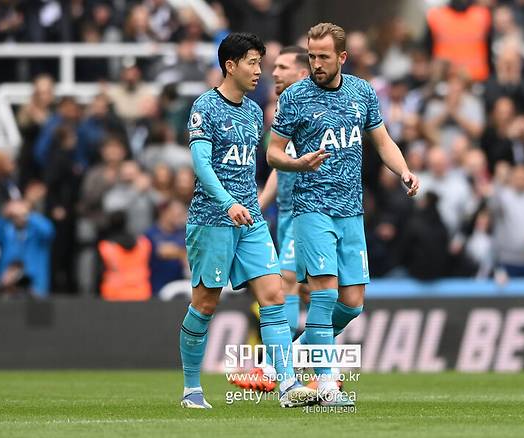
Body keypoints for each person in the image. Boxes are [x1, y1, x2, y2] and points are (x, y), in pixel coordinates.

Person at [267, 23, 419, 406]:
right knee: (323, 295)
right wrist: (298, 164)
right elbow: (273, 153)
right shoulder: (296, 97)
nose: (316, 63)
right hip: (311, 209)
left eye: (324, 57)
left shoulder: (362, 92)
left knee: (352, 303)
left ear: (342, 58)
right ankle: (327, 383)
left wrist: (403, 171)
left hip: (351, 212)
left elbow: (383, 141)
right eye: (312, 56)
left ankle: (300, 346)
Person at [179, 32, 315, 409]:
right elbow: (202, 165)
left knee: (273, 295)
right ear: (230, 65)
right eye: (253, 63)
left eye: (261, 63)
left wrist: (251, 204)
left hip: (250, 219)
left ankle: (287, 385)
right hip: (213, 219)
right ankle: (192, 389)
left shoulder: (256, 113)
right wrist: (227, 204)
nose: (260, 72)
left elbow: (249, 169)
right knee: (205, 304)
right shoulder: (205, 107)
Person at [231, 45, 311, 392]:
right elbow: (280, 163)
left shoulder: (313, 107)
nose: (272, 73)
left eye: (281, 67)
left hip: (313, 212)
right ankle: (323, 370)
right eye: (271, 67)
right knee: (307, 290)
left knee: (292, 285)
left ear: (302, 74)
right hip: (290, 215)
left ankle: (275, 367)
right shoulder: (282, 112)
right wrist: (261, 203)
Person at [0, 199, 55, 297]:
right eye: (15, 216)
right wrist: (3, 215)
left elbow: (49, 231)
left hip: (35, 285)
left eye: (21, 215)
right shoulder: (7, 231)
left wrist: (28, 214)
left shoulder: (36, 232)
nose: (18, 218)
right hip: (9, 285)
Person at [144, 200, 188, 296]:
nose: (180, 217)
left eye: (182, 213)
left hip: (179, 287)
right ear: (164, 212)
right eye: (176, 213)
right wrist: (181, 253)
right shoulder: (151, 233)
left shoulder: (183, 233)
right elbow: (162, 252)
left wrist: (178, 252)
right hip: (156, 287)